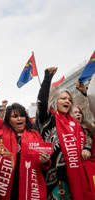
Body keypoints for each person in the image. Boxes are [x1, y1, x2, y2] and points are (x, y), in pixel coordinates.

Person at [0, 80, 50, 200]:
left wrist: (45, 161)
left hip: (29, 186)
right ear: (8, 120)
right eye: (15, 117)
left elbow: (44, 163)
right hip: (5, 185)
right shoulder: (2, 129)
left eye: (22, 116)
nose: (19, 119)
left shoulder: (35, 134)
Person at [36, 67, 91, 200]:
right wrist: (47, 78)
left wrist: (86, 149)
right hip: (55, 178)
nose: (67, 101)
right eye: (63, 98)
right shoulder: (48, 119)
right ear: (55, 101)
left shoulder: (75, 124)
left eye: (69, 99)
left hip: (77, 175)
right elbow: (41, 103)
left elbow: (86, 140)